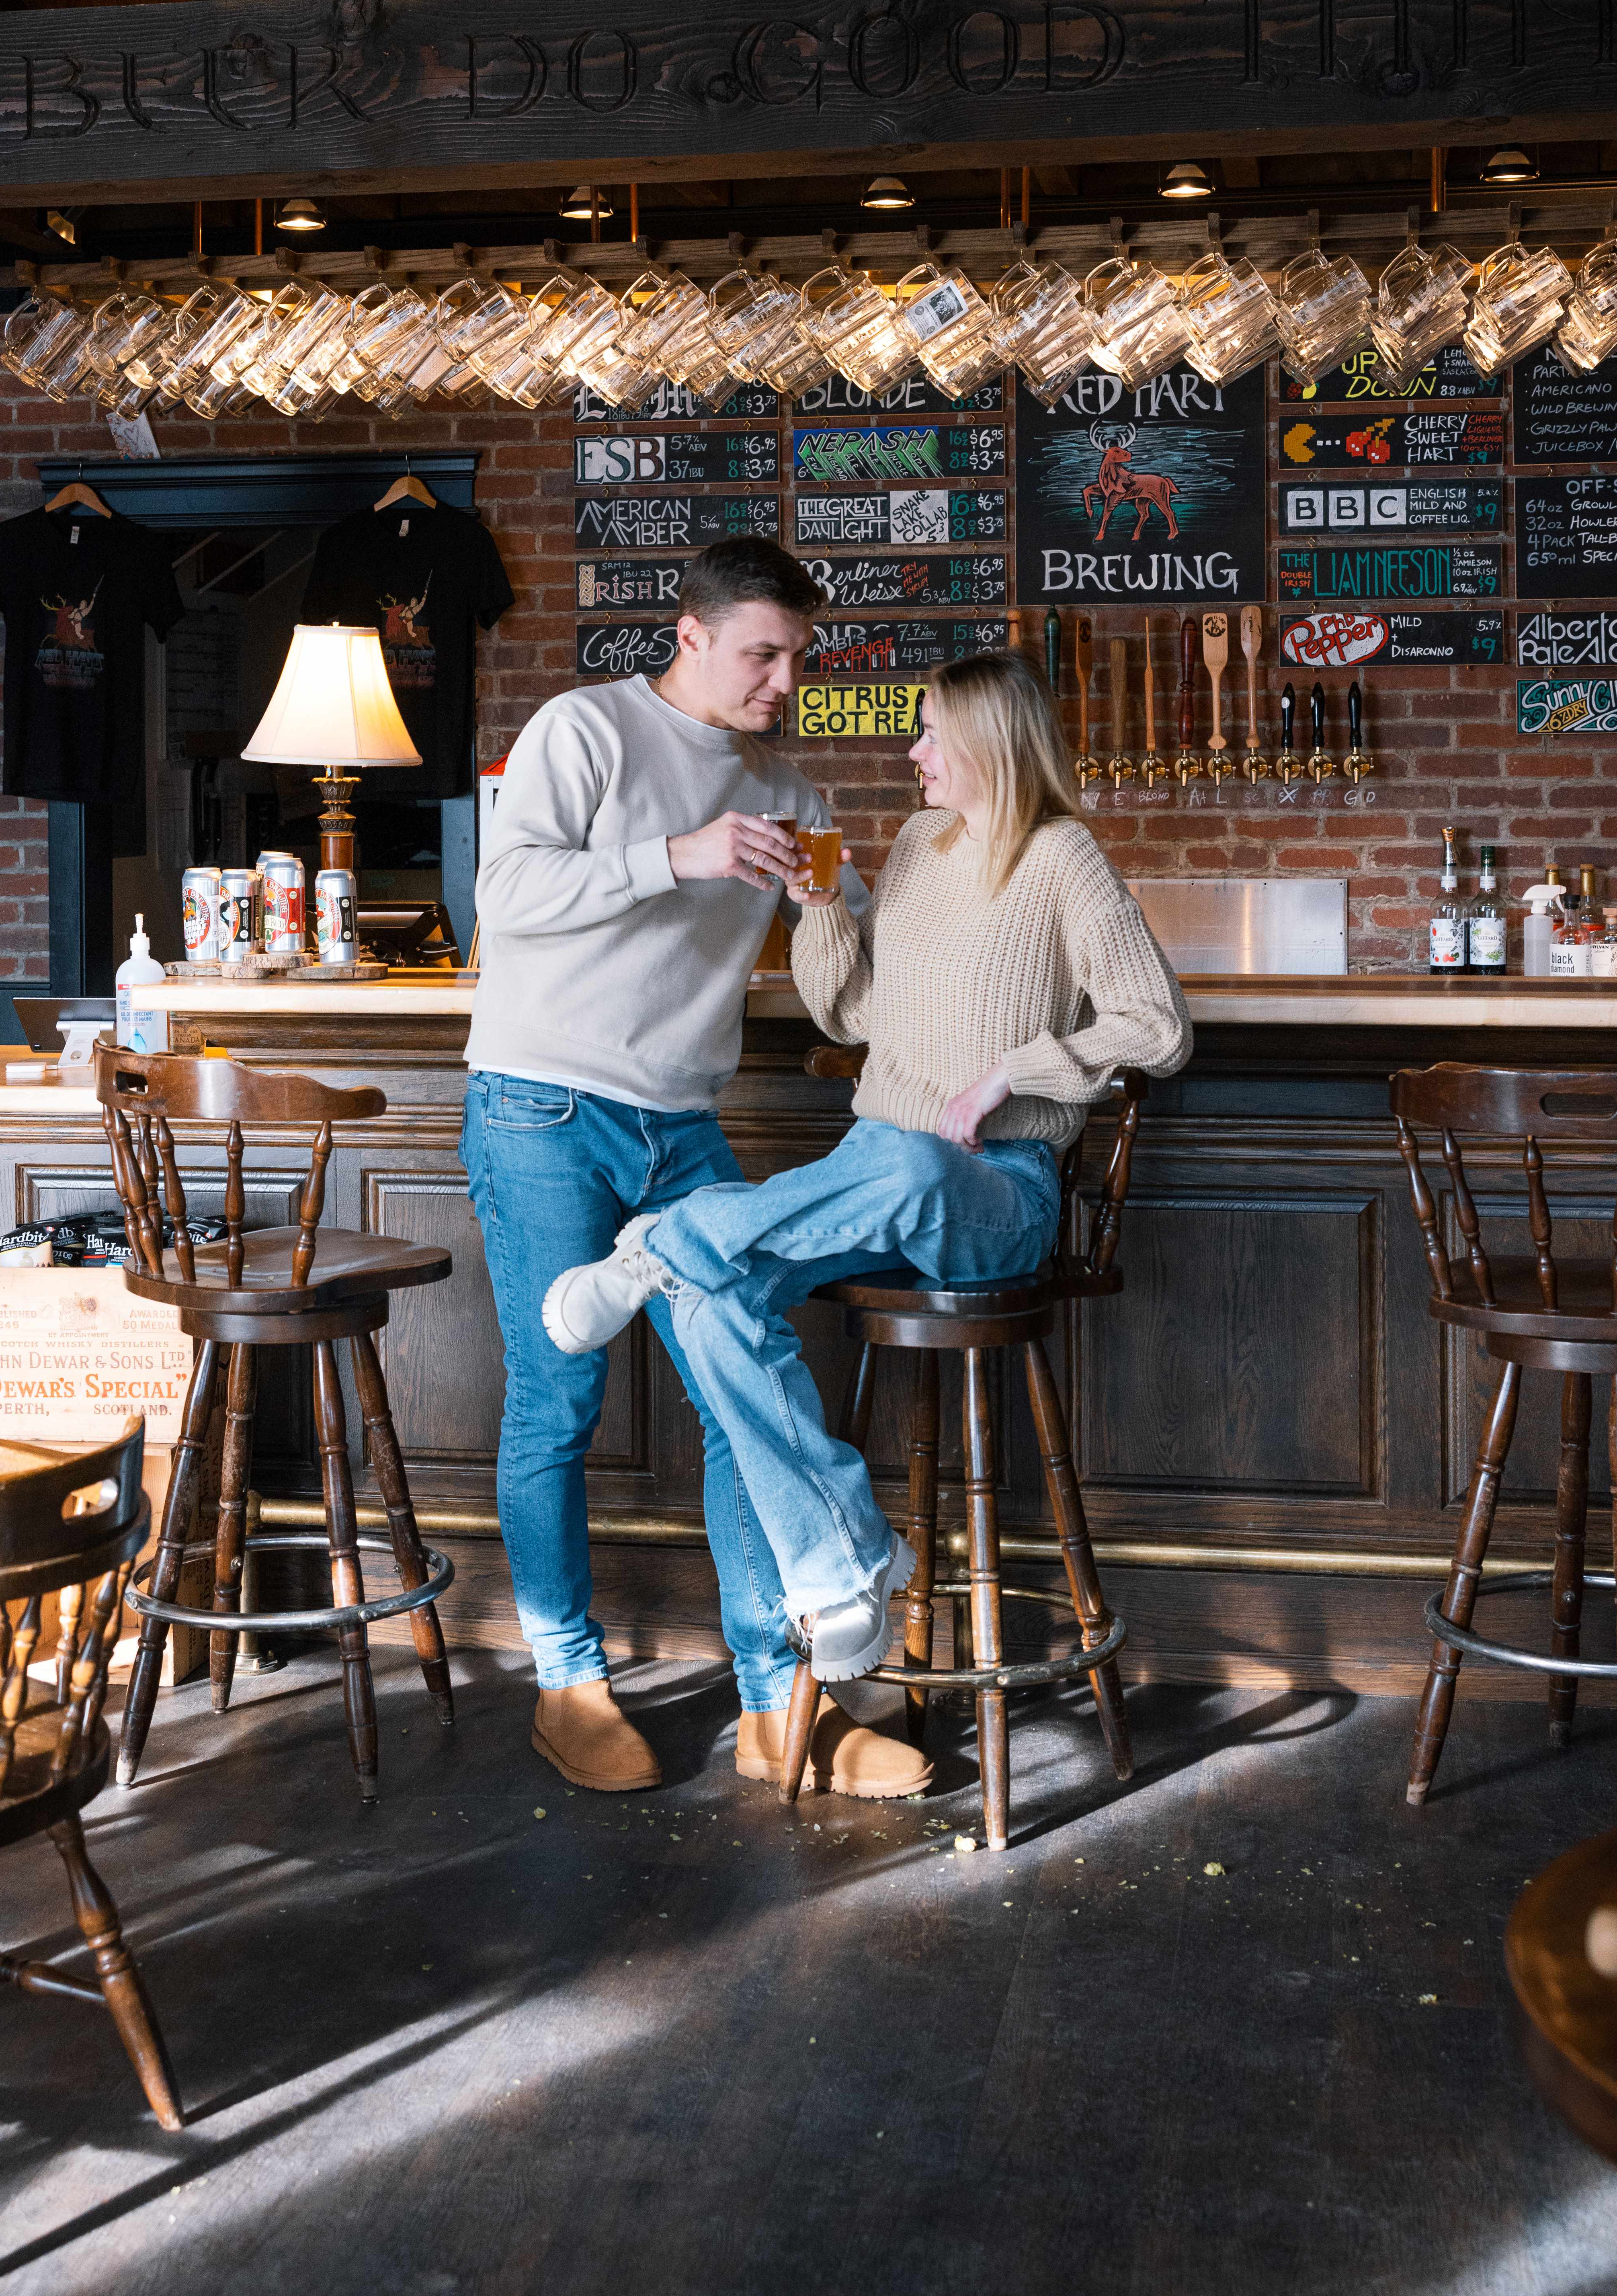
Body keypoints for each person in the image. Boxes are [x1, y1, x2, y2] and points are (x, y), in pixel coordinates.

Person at [542, 647, 1193, 1709]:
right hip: (873, 1177)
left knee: (877, 1166)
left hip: (999, 1192)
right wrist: (820, 908)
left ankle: (661, 1239)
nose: (911, 750)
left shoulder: (1062, 856)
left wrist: (1012, 1075)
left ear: (987, 742)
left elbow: (1155, 1027)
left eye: (930, 731)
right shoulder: (913, 847)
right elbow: (851, 1015)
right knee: (712, 1298)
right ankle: (838, 1558)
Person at [461, 537, 932, 1801]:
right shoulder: (586, 731)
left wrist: (862, 916)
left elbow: (851, 988)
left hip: (684, 1121)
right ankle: (567, 1675)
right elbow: (503, 897)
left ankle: (779, 1703)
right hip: (544, 1106)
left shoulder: (793, 793)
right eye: (761, 653)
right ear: (691, 635)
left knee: (745, 1401)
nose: (784, 680)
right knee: (557, 1401)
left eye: (798, 658)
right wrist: (680, 855)